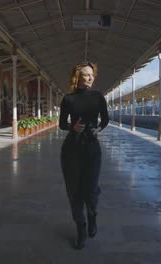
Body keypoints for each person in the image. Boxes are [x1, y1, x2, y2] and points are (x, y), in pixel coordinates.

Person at [59, 61, 109, 250]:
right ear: (77, 77)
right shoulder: (68, 99)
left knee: (90, 190)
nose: (90, 78)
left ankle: (92, 215)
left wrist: (97, 128)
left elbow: (105, 119)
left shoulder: (98, 97)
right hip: (71, 149)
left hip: (91, 148)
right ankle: (80, 227)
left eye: (92, 75)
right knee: (74, 192)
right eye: (86, 75)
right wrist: (73, 127)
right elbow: (62, 124)